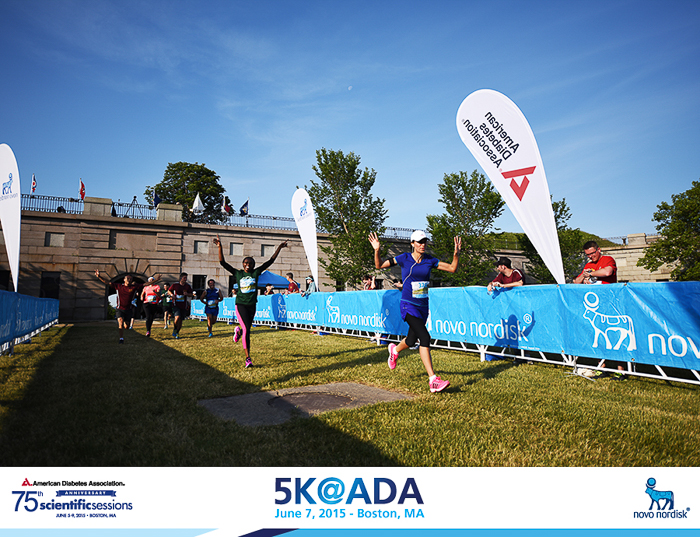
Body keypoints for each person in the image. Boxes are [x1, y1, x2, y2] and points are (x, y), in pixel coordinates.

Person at [368, 230, 461, 393]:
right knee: (424, 337)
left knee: (411, 340)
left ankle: (394, 350)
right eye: (419, 242)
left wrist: (456, 254)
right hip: (408, 304)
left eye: (424, 241)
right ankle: (433, 380)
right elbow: (379, 265)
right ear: (412, 244)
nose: (422, 244)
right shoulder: (404, 258)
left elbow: (452, 268)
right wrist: (377, 250)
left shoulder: (430, 260)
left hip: (422, 306)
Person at [213, 234, 288, 368]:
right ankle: (248, 358)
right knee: (247, 330)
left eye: (250, 263)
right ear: (243, 264)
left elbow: (270, 261)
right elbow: (223, 263)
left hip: (252, 305)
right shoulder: (238, 273)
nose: (248, 265)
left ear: (253, 265)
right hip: (241, 304)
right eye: (246, 263)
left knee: (246, 328)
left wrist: (279, 248)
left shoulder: (256, 273)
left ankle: (238, 331)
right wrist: (220, 247)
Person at [95, 270, 159, 344]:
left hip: (128, 309)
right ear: (124, 279)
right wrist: (99, 276)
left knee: (126, 326)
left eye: (130, 279)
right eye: (128, 279)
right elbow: (107, 282)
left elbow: (145, 284)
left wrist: (156, 280)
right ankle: (121, 338)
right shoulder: (118, 286)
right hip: (119, 308)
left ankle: (126, 327)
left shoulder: (134, 287)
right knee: (120, 322)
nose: (129, 280)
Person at [168, 272, 194, 339]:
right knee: (177, 317)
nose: (185, 279)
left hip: (183, 305)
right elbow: (169, 291)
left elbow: (191, 294)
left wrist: (187, 294)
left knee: (180, 320)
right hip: (176, 304)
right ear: (180, 278)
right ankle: (175, 328)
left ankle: (177, 332)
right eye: (184, 278)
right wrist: (172, 295)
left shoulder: (187, 286)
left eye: (186, 278)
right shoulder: (175, 285)